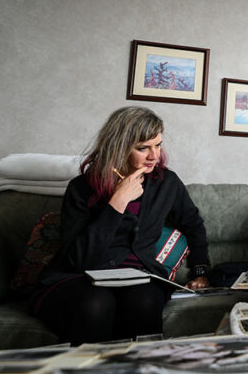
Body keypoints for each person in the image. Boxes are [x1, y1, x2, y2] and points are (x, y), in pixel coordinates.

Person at [30, 106, 210, 345]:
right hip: (82, 277)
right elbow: (78, 259)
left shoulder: (167, 183)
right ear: (119, 148)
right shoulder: (81, 188)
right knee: (96, 302)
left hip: (142, 278)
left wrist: (201, 271)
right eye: (143, 148)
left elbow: (194, 225)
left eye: (158, 145)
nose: (154, 156)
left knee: (144, 302)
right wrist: (118, 202)